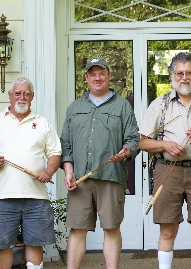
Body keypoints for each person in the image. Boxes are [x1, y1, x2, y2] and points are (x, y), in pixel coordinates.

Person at [138, 52, 191, 269]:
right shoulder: (160, 104)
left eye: (189, 72)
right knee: (167, 229)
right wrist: (166, 145)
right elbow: (143, 143)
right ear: (172, 75)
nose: (184, 77)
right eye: (179, 73)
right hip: (168, 170)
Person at [0, 77, 62, 269]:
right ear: (10, 96)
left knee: (35, 243)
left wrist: (49, 170)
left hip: (36, 196)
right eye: (18, 93)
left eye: (26, 93)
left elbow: (55, 152)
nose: (22, 97)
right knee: (2, 245)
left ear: (32, 97)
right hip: (3, 196)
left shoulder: (42, 122)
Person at [60, 57, 140, 269]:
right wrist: (68, 170)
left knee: (111, 228)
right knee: (77, 229)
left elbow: (134, 140)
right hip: (80, 179)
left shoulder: (123, 106)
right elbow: (65, 144)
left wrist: (125, 153)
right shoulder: (74, 107)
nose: (97, 78)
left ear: (108, 76)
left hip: (111, 177)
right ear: (86, 78)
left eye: (101, 73)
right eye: (93, 74)